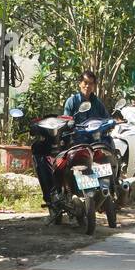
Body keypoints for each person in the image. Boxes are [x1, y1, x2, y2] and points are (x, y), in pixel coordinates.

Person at [33, 70, 107, 204]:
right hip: (75, 141)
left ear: (94, 85)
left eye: (91, 84)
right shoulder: (72, 101)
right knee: (64, 163)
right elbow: (66, 119)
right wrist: (69, 123)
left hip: (94, 141)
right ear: (80, 84)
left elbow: (105, 117)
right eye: (85, 83)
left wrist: (111, 122)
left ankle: (111, 187)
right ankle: (65, 190)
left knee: (109, 150)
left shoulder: (98, 103)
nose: (87, 86)